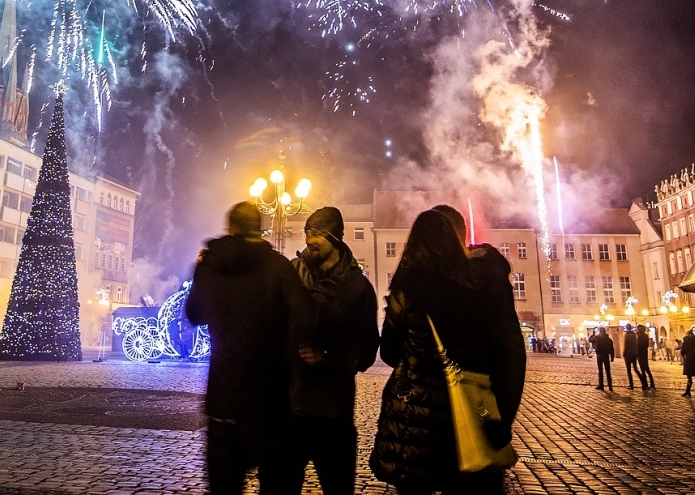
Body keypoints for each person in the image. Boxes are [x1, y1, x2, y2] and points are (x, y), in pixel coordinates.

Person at [369, 207, 525, 495]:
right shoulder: (482, 284)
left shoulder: (410, 284)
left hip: (415, 421)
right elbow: (510, 352)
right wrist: (501, 416)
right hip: (471, 412)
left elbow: (390, 352)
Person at [186, 201, 309, 495]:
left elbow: (194, 315)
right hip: (269, 403)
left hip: (223, 402)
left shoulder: (210, 266)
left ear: (230, 229)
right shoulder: (278, 267)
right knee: (276, 486)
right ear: (260, 229)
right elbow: (305, 318)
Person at [281, 207, 379, 495]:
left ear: (335, 238)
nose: (309, 240)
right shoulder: (291, 274)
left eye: (316, 234)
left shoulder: (357, 288)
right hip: (289, 408)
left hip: (332, 413)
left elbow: (368, 351)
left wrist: (328, 359)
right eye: (307, 232)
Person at [679, 326, 695, 396]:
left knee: (689, 377)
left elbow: (683, 351)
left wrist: (683, 357)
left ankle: (688, 391)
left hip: (688, 360)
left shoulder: (686, 342)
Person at [634, 324, 654, 389]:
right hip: (644, 353)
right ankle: (652, 383)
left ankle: (645, 384)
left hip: (640, 354)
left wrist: (636, 353)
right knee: (647, 369)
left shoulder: (639, 336)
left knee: (643, 369)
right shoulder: (646, 336)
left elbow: (638, 346)